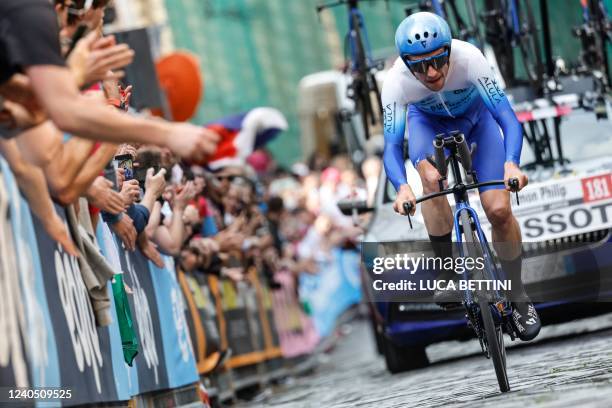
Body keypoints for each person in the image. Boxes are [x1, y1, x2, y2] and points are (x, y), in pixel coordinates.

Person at [381, 12, 540, 341]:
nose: (432, 73)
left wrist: (512, 163)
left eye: (439, 61)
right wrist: (400, 188)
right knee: (431, 179)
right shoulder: (396, 82)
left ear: (449, 51)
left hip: (477, 122)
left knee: (498, 209)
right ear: (407, 63)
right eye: (420, 67)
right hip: (428, 126)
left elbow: (508, 120)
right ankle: (448, 275)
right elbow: (393, 146)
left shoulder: (470, 59)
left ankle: (518, 293)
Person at [0, 0, 218, 162]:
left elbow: (27, 105)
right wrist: (169, 134)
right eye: (103, 11)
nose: (102, 25)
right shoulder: (32, 13)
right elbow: (60, 120)